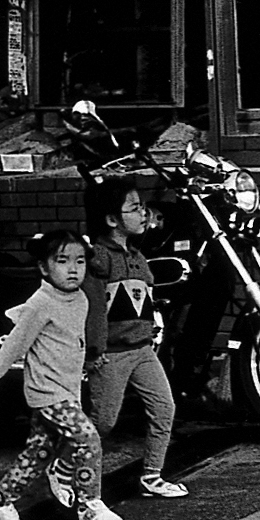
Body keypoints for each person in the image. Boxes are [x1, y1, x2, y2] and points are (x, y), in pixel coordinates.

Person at [0, 230, 125, 520]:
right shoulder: (40, 303)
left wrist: (88, 361)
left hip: (67, 388)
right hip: (47, 391)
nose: (73, 269)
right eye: (63, 261)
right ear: (44, 267)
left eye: (80, 261)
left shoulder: (79, 298)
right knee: (88, 439)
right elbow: (15, 344)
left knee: (37, 453)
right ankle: (89, 506)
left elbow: (73, 341)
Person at [82, 178, 188, 499]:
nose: (144, 213)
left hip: (143, 351)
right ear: (112, 220)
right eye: (135, 208)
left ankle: (152, 475)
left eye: (143, 206)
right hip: (111, 353)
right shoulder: (99, 257)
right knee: (102, 422)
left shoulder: (138, 258)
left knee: (164, 408)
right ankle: (67, 468)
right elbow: (96, 308)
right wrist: (95, 349)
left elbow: (144, 297)